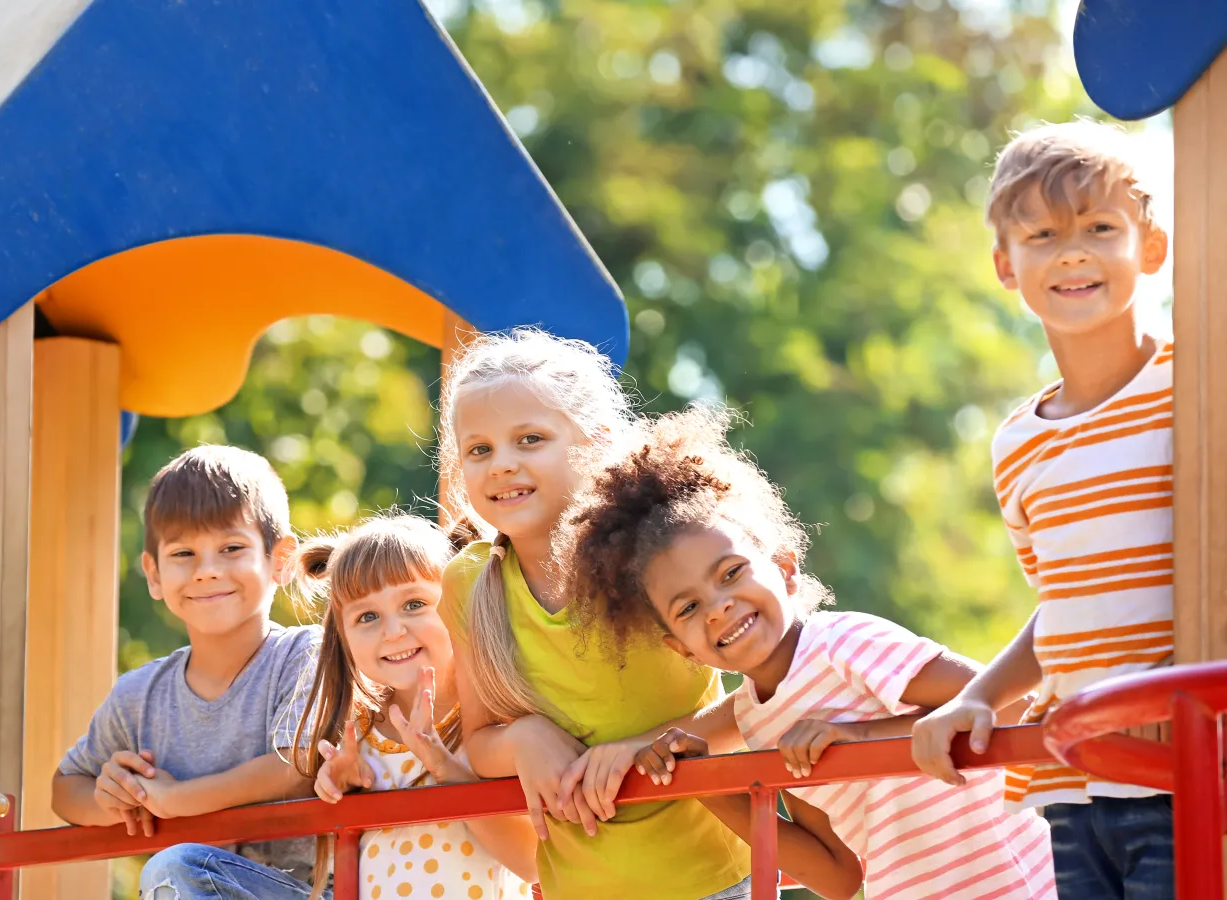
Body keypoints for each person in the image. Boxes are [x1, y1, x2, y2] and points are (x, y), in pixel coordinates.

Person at [562, 405, 1054, 898]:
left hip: (1019, 881)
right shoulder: (761, 719)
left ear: (785, 569)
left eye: (731, 573)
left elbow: (1008, 707)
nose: (717, 607)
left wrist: (857, 737)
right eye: (688, 607)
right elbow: (837, 878)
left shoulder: (843, 643)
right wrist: (707, 785)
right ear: (681, 649)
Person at [912, 120, 1175, 898]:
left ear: (1151, 247)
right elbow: (1063, 606)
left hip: (1181, 763)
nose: (1072, 252)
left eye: (1101, 227)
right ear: (1005, 264)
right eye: (1043, 234)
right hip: (1073, 777)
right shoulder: (1018, 445)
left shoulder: (1192, 384)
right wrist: (977, 696)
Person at [436, 328, 753, 900]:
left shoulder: (659, 555)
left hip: (714, 878)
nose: (501, 465)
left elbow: (759, 698)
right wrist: (523, 738)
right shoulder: (468, 583)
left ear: (599, 443)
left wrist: (643, 748)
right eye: (478, 449)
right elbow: (480, 745)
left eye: (529, 439)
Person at [50, 445, 322, 900]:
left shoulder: (303, 654)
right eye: (183, 554)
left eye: (231, 548)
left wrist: (175, 800)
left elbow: (295, 766)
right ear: (153, 574)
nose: (206, 571)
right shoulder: (140, 695)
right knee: (175, 872)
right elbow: (64, 790)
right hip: (188, 887)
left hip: (302, 892)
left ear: (281, 560)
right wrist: (113, 796)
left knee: (176, 868)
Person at [292, 513, 538, 899]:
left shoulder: (496, 725)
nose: (392, 632)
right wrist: (337, 789)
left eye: (414, 604)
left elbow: (533, 862)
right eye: (367, 616)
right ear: (344, 636)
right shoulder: (359, 737)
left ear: (458, 602)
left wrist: (445, 767)